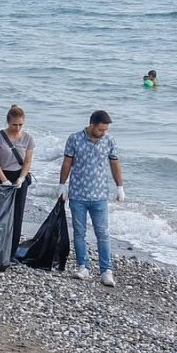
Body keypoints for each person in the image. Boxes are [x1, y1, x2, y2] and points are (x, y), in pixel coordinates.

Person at [59, 110, 125, 287]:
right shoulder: (74, 139)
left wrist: (120, 186)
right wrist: (62, 184)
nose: (104, 133)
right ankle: (83, 266)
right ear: (92, 125)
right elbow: (67, 162)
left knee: (102, 233)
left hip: (100, 195)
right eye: (101, 129)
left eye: (106, 130)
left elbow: (115, 163)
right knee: (79, 233)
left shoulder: (109, 141)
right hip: (78, 194)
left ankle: (106, 270)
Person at [0, 104, 35, 253]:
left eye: (21, 124)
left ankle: (11, 250)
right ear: (8, 122)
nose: (18, 128)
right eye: (14, 124)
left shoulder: (28, 138)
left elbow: (27, 162)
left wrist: (21, 178)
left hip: (18, 176)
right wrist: (4, 180)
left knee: (17, 214)